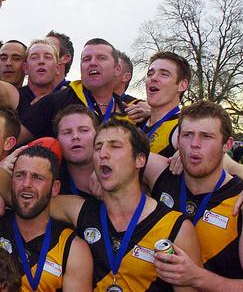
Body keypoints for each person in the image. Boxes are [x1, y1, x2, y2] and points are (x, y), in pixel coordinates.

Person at [49, 119, 202, 291]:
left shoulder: (176, 228)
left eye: (115, 146)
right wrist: (12, 163)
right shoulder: (80, 211)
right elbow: (27, 200)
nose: (103, 154)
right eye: (98, 147)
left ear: (139, 160)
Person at [150, 101, 243, 290]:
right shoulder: (160, 174)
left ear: (227, 144)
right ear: (178, 141)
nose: (194, 144)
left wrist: (197, 277)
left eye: (206, 136)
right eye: (187, 135)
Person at [0, 146, 94, 291]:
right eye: (20, 175)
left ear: (55, 188)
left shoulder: (72, 248)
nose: (26, 184)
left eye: (37, 177)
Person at [19, 38, 132, 142]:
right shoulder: (55, 101)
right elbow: (13, 140)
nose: (92, 63)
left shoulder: (130, 113)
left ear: (117, 69)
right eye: (86, 59)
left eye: (101, 58)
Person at [140, 51, 191, 158]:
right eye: (150, 74)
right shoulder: (136, 123)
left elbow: (226, 163)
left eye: (164, 74)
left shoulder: (185, 129)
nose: (153, 78)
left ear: (182, 85)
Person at [54, 105, 98, 199]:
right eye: (67, 132)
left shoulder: (118, 175)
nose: (75, 136)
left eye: (84, 130)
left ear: (98, 136)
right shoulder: (51, 184)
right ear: (57, 140)